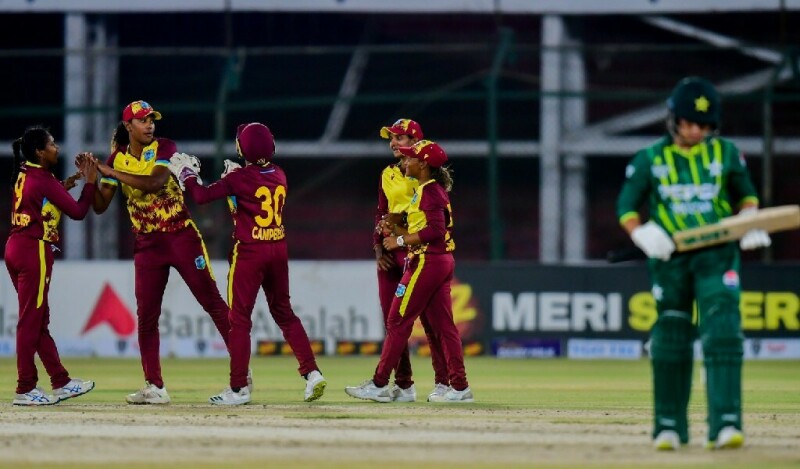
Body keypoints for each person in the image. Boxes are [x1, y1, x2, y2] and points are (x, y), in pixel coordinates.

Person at [616, 76, 771, 450]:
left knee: (722, 328)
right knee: (670, 334)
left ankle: (727, 424)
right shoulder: (650, 157)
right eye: (688, 123)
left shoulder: (727, 154)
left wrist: (748, 221)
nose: (695, 130)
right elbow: (626, 207)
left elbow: (747, 197)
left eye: (703, 125)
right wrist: (640, 233)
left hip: (717, 255)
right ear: (673, 119)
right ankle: (668, 426)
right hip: (670, 258)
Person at [169, 122, 327, 405]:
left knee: (239, 321)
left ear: (242, 148)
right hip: (277, 249)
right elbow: (246, 201)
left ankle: (239, 388)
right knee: (284, 313)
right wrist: (234, 180)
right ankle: (312, 372)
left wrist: (187, 174)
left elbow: (202, 197)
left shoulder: (240, 178)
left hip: (250, 253)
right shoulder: (279, 174)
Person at [89, 100, 236, 404]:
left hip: (181, 236)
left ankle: (241, 372)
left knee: (212, 302)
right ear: (128, 126)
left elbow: (156, 183)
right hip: (147, 245)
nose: (150, 125)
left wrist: (111, 172)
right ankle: (155, 387)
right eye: (142, 121)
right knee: (146, 317)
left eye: (151, 120)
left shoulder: (165, 147)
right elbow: (100, 206)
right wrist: (93, 178)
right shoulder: (115, 159)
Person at [346, 140, 473, 403]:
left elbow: (436, 232)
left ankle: (380, 384)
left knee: (397, 320)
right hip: (436, 260)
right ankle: (459, 388)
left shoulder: (429, 191)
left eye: (409, 159)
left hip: (426, 261)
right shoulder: (426, 189)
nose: (404, 162)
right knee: (444, 326)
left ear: (423, 164)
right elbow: (426, 229)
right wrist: (395, 230)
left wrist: (400, 241)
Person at [6, 126, 98, 405]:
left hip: (15, 246)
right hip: (34, 249)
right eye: (52, 144)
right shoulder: (43, 179)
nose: (57, 147)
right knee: (30, 322)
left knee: (38, 320)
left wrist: (67, 184)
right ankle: (25, 388)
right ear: (39, 151)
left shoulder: (25, 170)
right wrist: (90, 182)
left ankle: (61, 382)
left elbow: (41, 194)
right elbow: (79, 213)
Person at [374, 119, 450, 402]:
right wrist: (379, 249)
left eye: (400, 138)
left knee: (430, 324)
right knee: (393, 321)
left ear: (417, 142)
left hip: (418, 251)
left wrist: (399, 232)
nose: (393, 144)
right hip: (392, 254)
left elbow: (434, 221)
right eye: (391, 139)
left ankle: (443, 382)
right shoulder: (388, 174)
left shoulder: (424, 174)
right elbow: (381, 213)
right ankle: (403, 385)